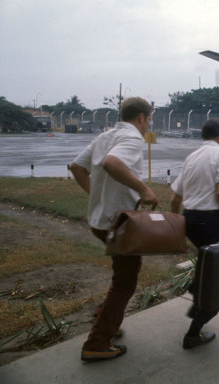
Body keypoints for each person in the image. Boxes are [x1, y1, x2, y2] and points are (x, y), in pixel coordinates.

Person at [70, 97, 158, 362]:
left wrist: (95, 196)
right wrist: (144, 189)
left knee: (121, 276)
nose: (148, 124)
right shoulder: (131, 139)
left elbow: (76, 166)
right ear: (141, 117)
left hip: (99, 221)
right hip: (118, 223)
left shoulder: (105, 136)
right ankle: (97, 343)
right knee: (125, 282)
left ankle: (106, 317)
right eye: (149, 119)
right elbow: (112, 164)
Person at [170, 119, 219, 350]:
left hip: (190, 220)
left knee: (208, 266)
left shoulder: (191, 157)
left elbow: (175, 199)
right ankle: (193, 333)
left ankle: (198, 296)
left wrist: (177, 228)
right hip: (209, 221)